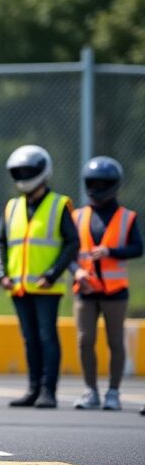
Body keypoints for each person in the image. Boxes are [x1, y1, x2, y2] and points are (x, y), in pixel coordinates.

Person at [0, 145, 78, 409]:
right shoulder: (12, 207)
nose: (24, 175)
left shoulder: (59, 204)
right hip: (18, 286)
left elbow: (72, 243)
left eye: (28, 171)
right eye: (19, 171)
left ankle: (48, 390)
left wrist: (53, 274)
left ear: (43, 172)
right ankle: (32, 389)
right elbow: (1, 243)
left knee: (46, 336)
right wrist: (1, 274)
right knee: (30, 338)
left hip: (46, 287)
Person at [70, 157, 142, 411]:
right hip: (86, 289)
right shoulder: (77, 216)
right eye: (93, 182)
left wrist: (111, 251)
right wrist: (76, 272)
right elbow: (67, 252)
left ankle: (113, 392)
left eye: (104, 182)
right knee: (84, 339)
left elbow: (137, 248)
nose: (98, 187)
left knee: (115, 341)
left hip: (115, 292)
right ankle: (91, 391)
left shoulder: (127, 217)